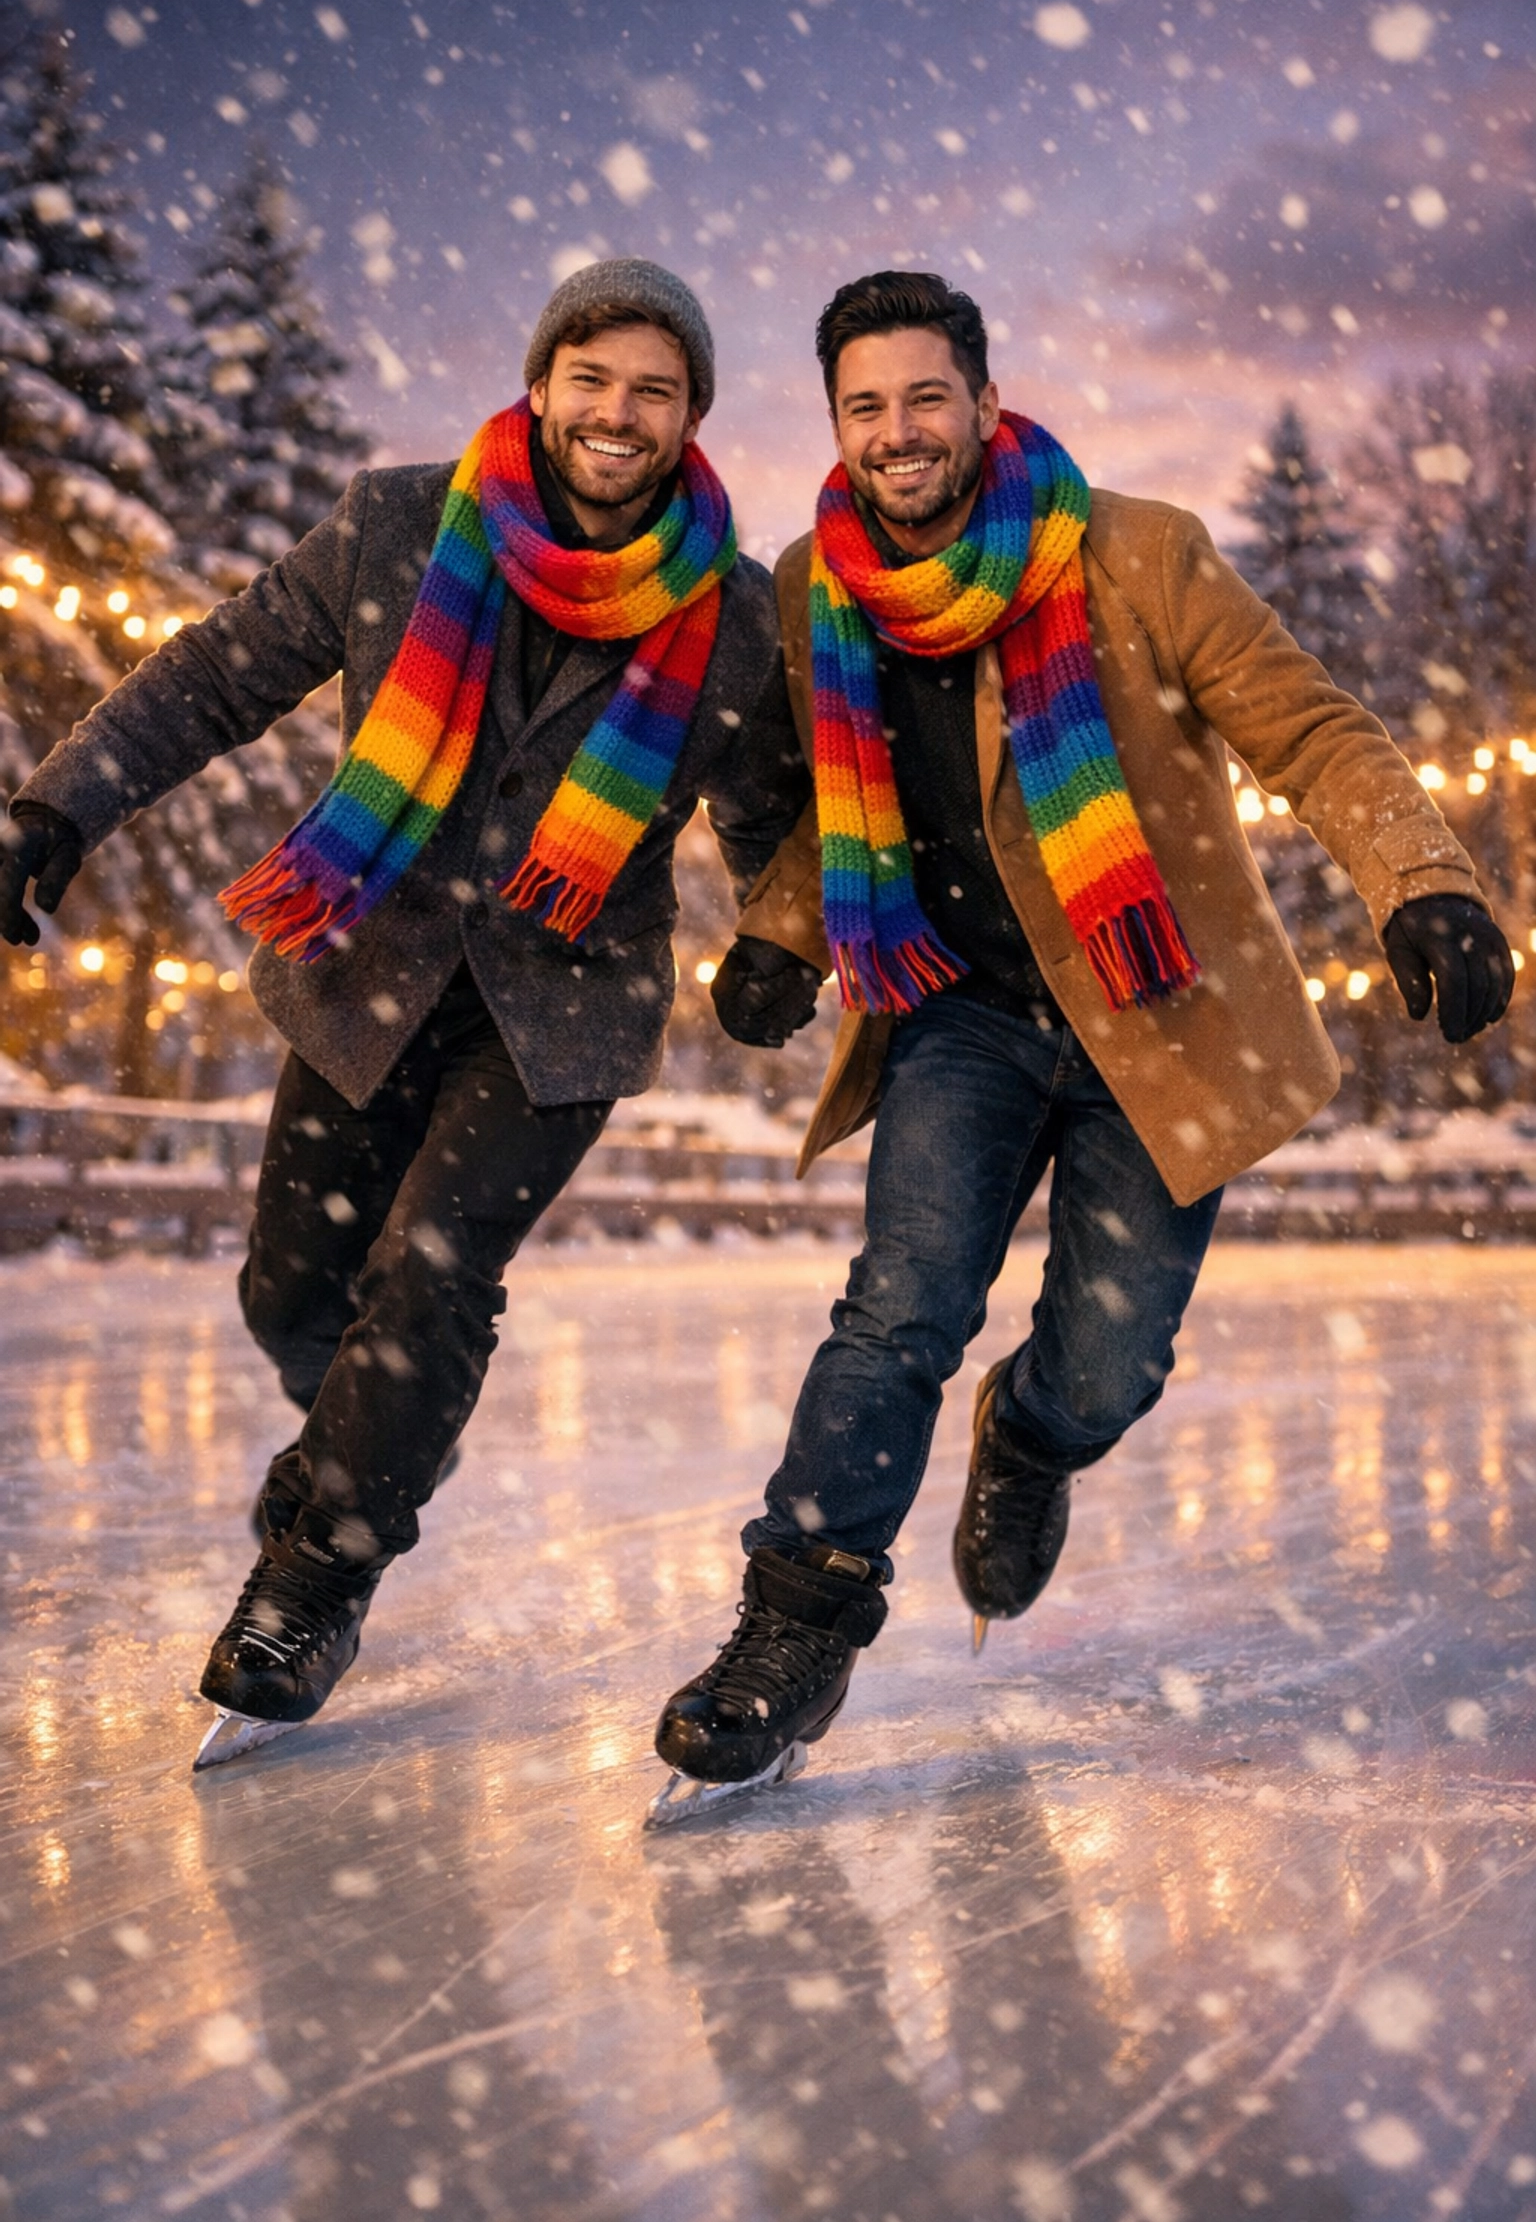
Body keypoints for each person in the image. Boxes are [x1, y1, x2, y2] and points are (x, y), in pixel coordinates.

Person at [647, 268, 1514, 1819]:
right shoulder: (815, 587)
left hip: (1154, 1007)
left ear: (983, 401)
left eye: (927, 398)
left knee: (1113, 1364)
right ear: (834, 424)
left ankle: (1034, 1437)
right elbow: (846, 813)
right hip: (956, 1010)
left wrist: (1426, 881)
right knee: (897, 1308)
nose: (900, 433)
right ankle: (792, 1627)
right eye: (867, 406)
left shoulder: (1136, 552)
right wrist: (780, 937)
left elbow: (1310, 726)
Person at [0, 258, 808, 1767]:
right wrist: (57, 812)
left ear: (692, 413)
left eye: (653, 388)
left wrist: (781, 941)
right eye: (593, 378)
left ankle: (316, 1576)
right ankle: (367, 1445)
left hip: (557, 1003)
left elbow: (777, 817)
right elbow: (216, 676)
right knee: (293, 1296)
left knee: (430, 1282)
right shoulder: (396, 524)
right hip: (365, 967)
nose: (617, 413)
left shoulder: (738, 619)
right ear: (542, 382)